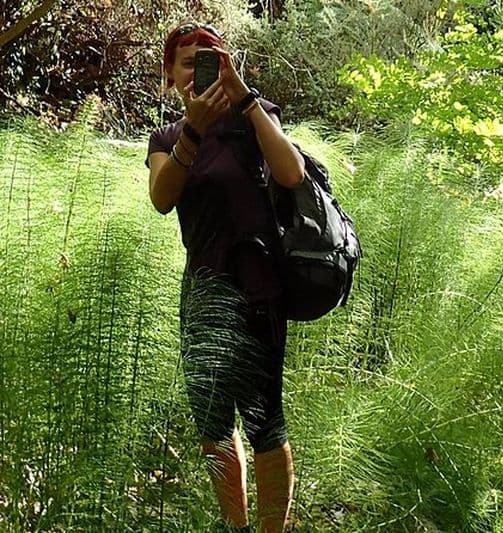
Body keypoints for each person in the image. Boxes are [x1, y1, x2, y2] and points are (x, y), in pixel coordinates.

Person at [146, 22, 305, 532]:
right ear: (171, 74)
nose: (201, 71)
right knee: (214, 427)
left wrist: (247, 99)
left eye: (213, 60)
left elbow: (292, 173)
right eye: (189, 62)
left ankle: (271, 531)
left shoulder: (256, 120)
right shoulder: (168, 138)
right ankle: (236, 528)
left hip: (260, 293)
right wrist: (192, 129)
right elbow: (161, 197)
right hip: (202, 294)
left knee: (264, 424)